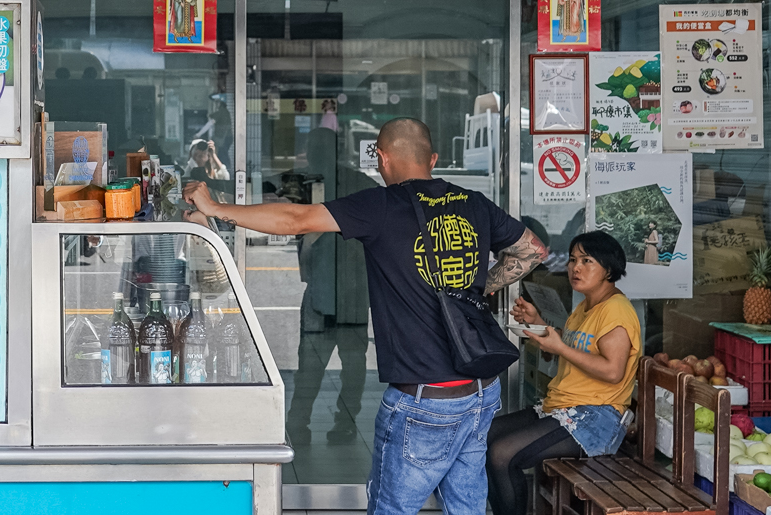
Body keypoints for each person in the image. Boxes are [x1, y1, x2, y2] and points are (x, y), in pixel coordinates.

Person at [184, 117, 547, 515]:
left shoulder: (381, 205)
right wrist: (485, 285)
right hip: (480, 391)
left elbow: (296, 220)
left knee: (393, 509)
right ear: (434, 159)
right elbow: (532, 250)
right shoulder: (474, 203)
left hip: (425, 398)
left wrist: (216, 207)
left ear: (383, 157)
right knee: (466, 508)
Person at [485, 231, 641, 515]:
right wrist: (539, 324)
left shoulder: (616, 311)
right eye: (572, 260)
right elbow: (567, 350)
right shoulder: (585, 306)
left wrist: (559, 346)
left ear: (609, 269)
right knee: (484, 436)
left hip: (595, 417)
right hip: (563, 407)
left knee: (502, 455)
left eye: (587, 260)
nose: (575, 267)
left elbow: (613, 371)